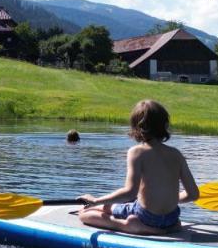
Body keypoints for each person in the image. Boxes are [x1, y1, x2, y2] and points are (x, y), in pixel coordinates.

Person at [77, 99, 199, 236]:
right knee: (108, 206)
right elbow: (193, 194)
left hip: (146, 217)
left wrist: (95, 201)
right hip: (172, 218)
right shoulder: (177, 154)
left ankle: (129, 226)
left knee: (84, 214)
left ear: (137, 127)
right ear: (165, 125)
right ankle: (167, 227)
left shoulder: (137, 152)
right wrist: (166, 199)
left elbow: (130, 192)